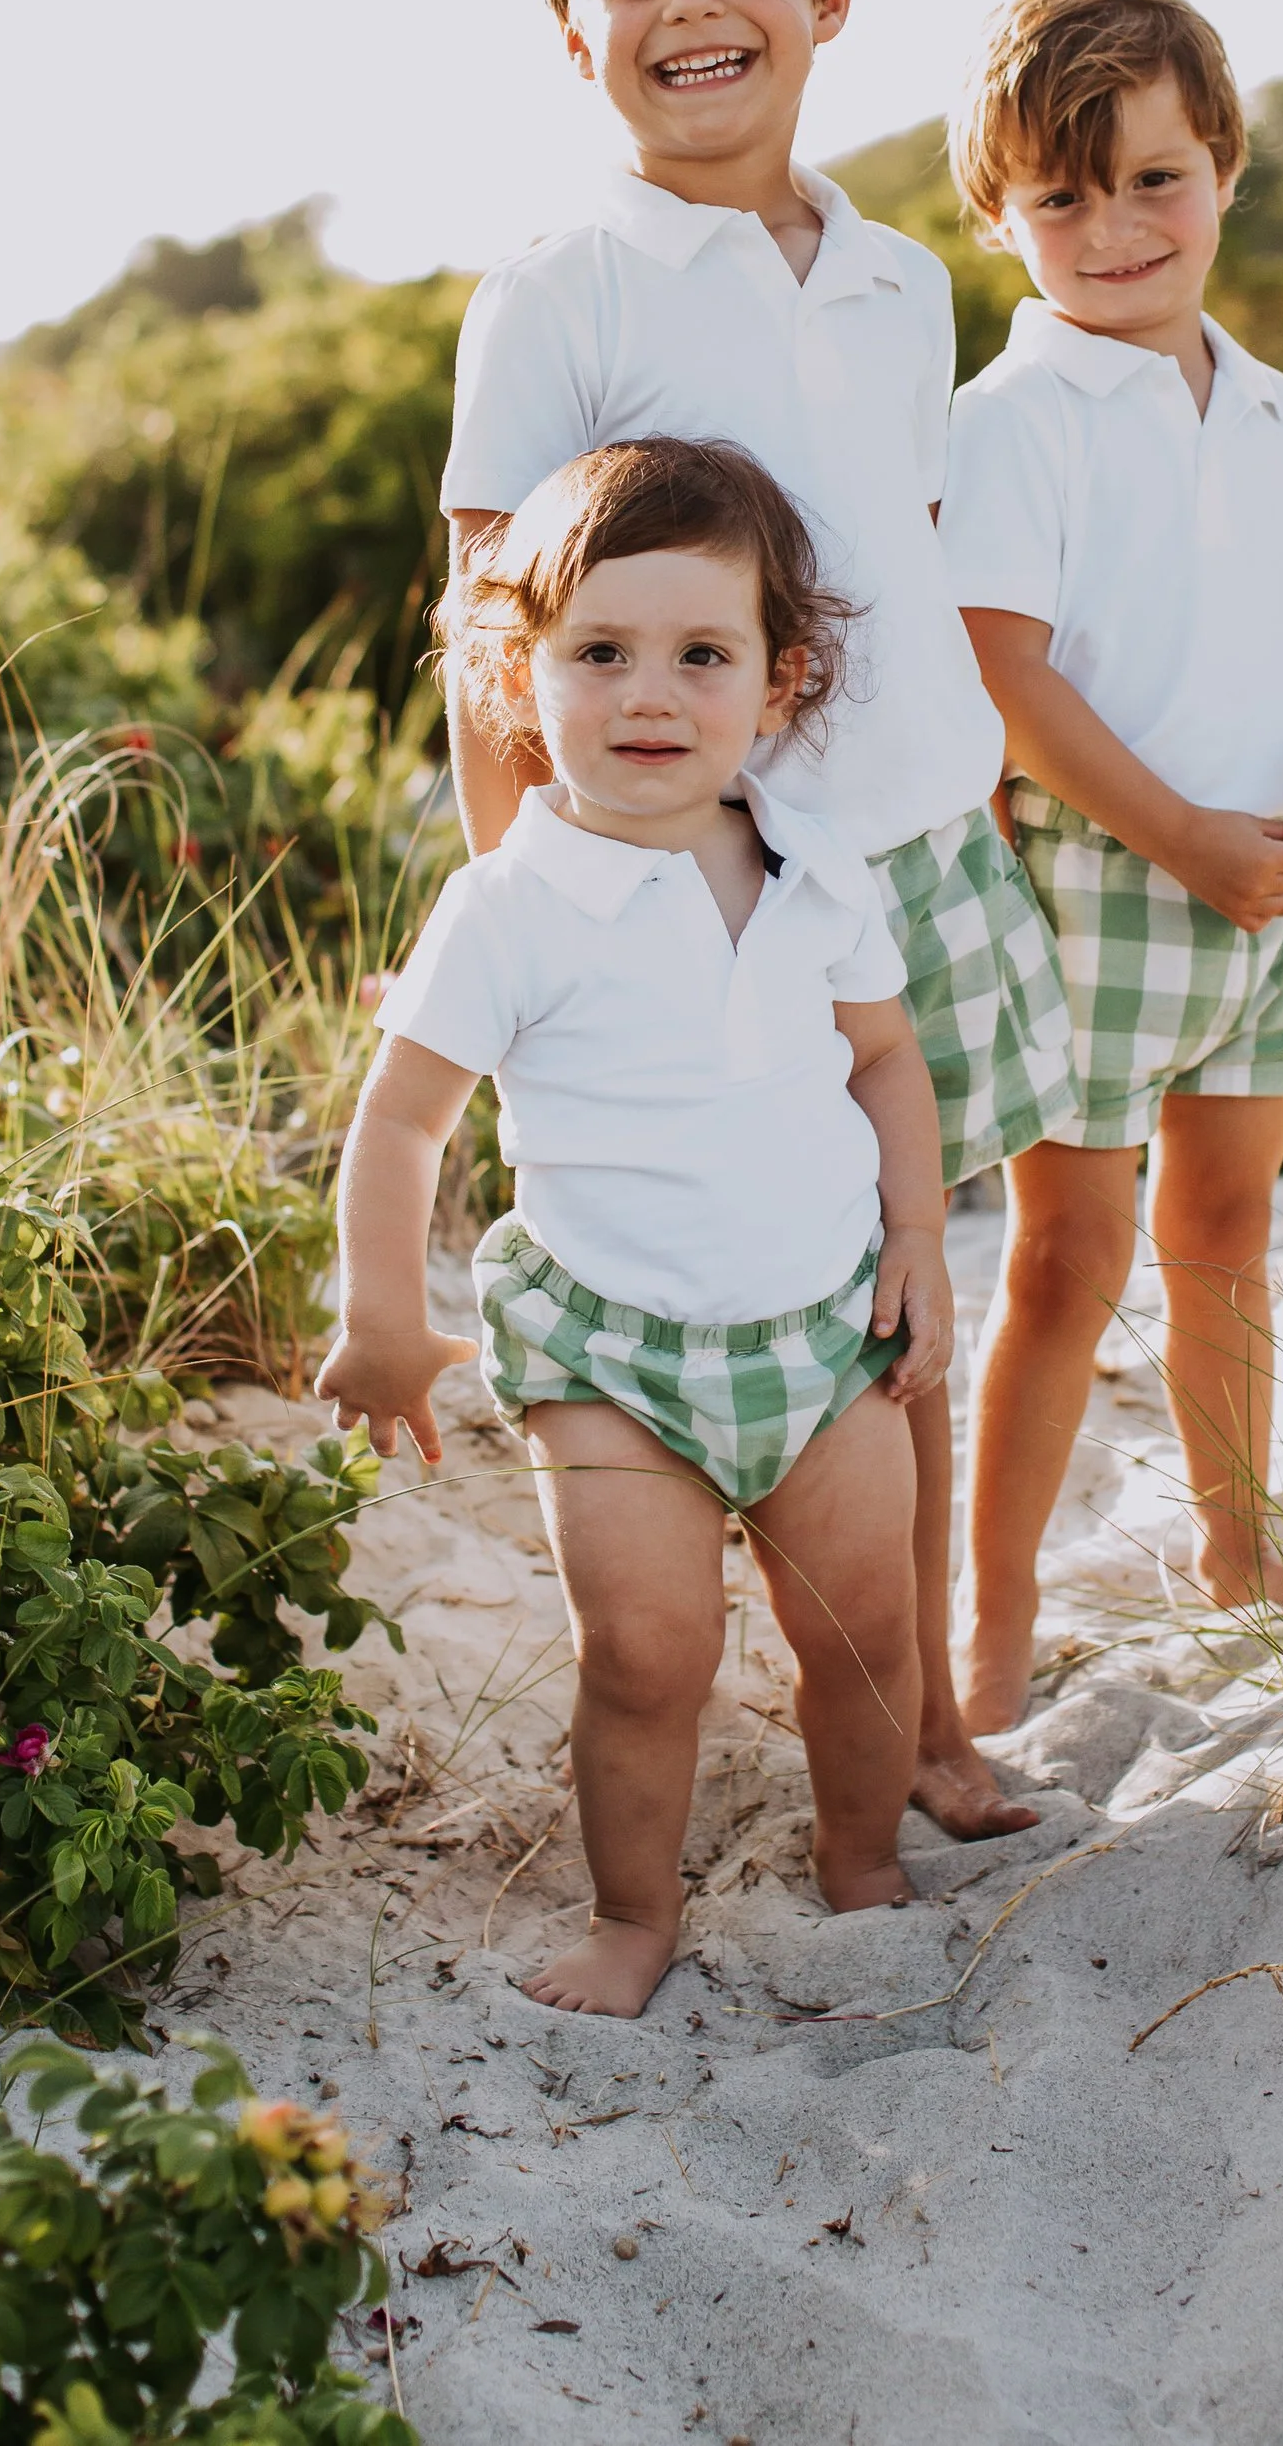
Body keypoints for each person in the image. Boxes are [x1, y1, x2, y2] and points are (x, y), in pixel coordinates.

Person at [435, 0, 1072, 1838]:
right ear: (573, 28)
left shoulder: (895, 277)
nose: (688, 1)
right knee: (741, 1271)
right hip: (707, 896)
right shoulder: (565, 286)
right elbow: (492, 628)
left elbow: (910, 549)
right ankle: (711, 1680)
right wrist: (527, 912)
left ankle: (921, 1720)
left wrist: (971, 798)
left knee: (906, 1280)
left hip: (923, 851)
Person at [314, 438, 951, 2020]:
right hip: (608, 1349)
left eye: (700, 653)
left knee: (865, 1634)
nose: (649, 693)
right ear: (520, 676)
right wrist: (384, 1317)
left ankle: (862, 1864)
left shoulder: (816, 867)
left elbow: (883, 1056)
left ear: (780, 680)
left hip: (821, 1329)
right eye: (599, 652)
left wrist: (917, 1238)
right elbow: (401, 1120)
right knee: (648, 1656)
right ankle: (630, 1919)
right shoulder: (511, 902)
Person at [936, 0, 1283, 1731]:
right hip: (1102, 890)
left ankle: (1237, 1541)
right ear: (1002, 216)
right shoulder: (1015, 419)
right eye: (1062, 193)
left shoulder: (1280, 409)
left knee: (1227, 1228)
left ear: (1224, 162)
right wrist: (1188, 842)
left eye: (1153, 176)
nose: (1117, 225)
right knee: (1066, 1257)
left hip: (1279, 880)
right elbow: (1004, 673)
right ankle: (990, 1624)